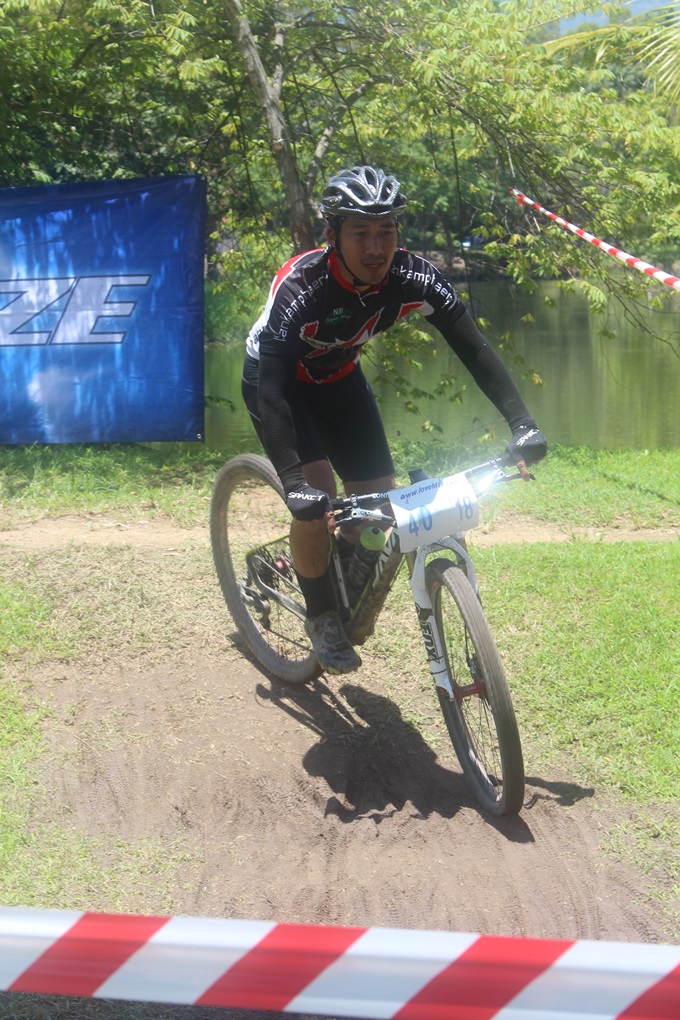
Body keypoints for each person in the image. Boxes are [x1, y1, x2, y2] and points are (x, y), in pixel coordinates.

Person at [242, 165, 547, 675]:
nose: (376, 247)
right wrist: (294, 484)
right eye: (360, 232)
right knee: (317, 500)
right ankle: (321, 615)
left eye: (386, 231)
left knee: (379, 500)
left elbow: (474, 349)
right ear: (333, 235)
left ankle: (330, 567)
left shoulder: (414, 277)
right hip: (280, 384)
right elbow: (271, 391)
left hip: (339, 378)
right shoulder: (302, 287)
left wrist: (523, 424)